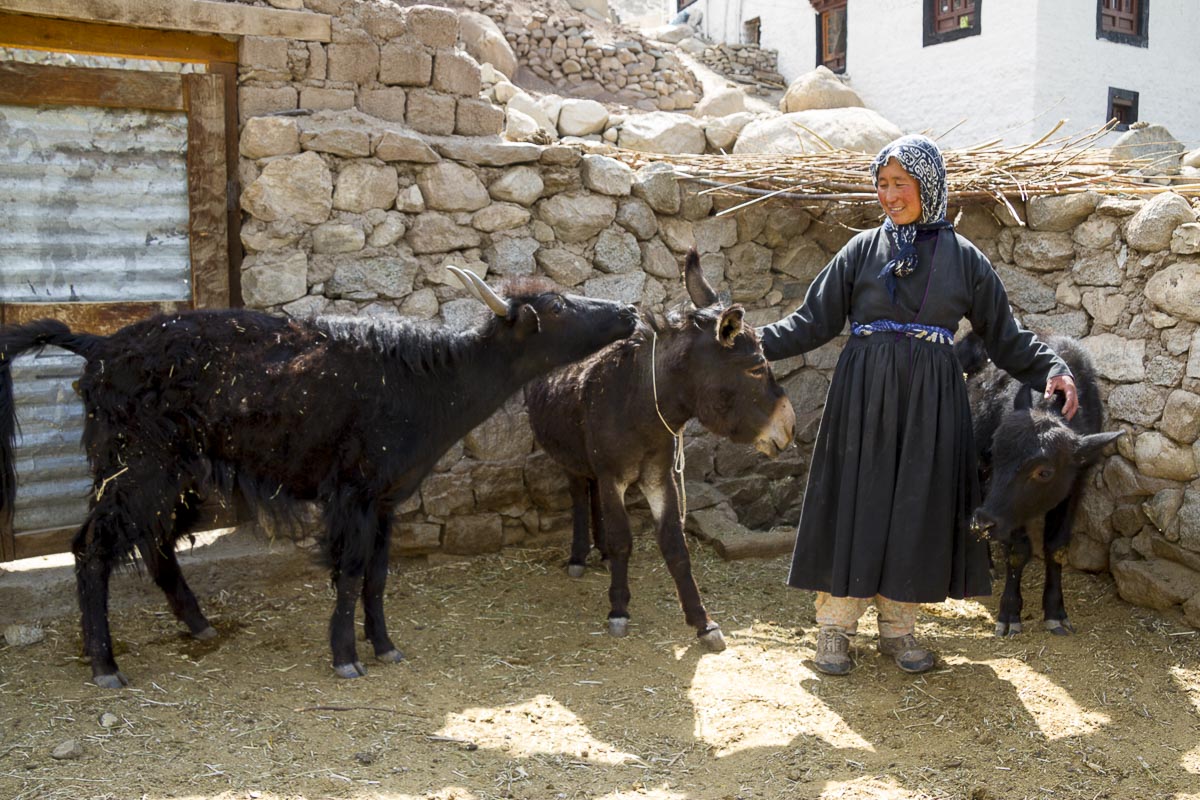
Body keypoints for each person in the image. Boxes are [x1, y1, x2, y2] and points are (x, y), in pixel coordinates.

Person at [757, 134, 1079, 675]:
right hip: (863, 397)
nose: (888, 195)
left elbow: (1005, 336)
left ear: (927, 185)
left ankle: (899, 630)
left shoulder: (965, 260)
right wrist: (748, 345)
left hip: (932, 402)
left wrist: (1054, 369)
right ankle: (835, 628)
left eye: (899, 184)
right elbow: (810, 322)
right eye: (881, 184)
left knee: (916, 505)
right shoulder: (860, 250)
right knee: (855, 501)